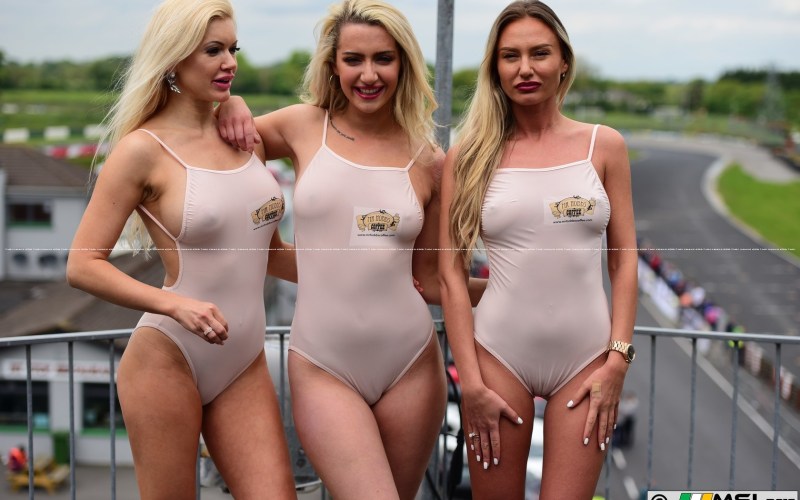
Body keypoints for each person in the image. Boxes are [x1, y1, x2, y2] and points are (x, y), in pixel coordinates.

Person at [217, 1, 484, 497]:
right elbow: (216, 142)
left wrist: (509, 291)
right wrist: (230, 105)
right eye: (353, 59)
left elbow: (428, 278)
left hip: (411, 365)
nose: (368, 75)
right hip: (323, 366)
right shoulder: (302, 126)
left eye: (383, 58)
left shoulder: (429, 161)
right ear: (333, 64)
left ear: (403, 63)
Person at [65, 1, 297, 498]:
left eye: (233, 49)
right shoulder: (142, 150)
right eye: (213, 50)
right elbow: (82, 265)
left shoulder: (242, 136)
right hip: (167, 356)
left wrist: (378, 271)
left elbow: (271, 254)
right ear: (173, 60)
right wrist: (176, 303)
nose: (230, 62)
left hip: (243, 360)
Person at [438, 1, 638, 498]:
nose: (525, 68)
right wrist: (471, 384)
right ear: (495, 68)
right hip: (496, 361)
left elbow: (624, 258)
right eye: (510, 56)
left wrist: (617, 360)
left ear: (564, 61)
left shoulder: (604, 146)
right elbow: (449, 274)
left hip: (588, 361)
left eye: (539, 53)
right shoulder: (469, 154)